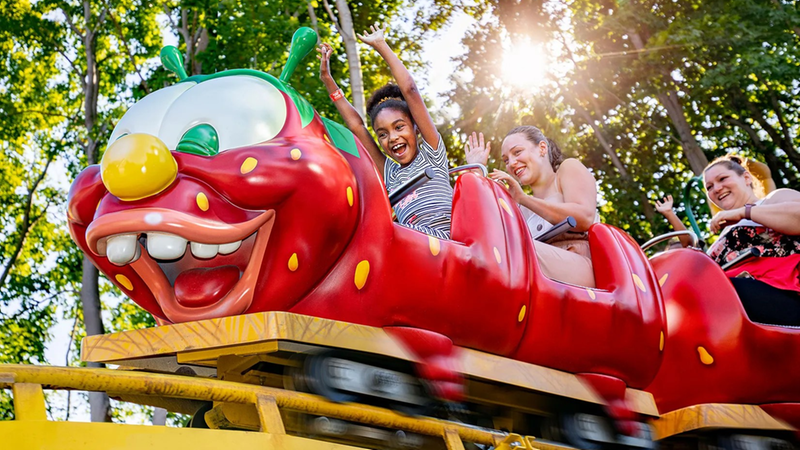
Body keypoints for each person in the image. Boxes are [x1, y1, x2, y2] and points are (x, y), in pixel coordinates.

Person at [317, 24, 453, 239]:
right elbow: (356, 126)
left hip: (447, 244)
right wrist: (328, 82)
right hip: (415, 247)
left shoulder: (432, 153)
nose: (393, 137)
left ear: (416, 127)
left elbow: (410, 90)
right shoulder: (389, 173)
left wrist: (381, 45)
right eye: (382, 134)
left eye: (399, 127)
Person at [657, 155, 800, 325]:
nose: (716, 188)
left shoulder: (771, 201)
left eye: (722, 179)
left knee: (702, 295)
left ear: (746, 178)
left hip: (780, 293)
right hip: (731, 305)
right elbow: (691, 253)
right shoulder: (725, 234)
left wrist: (744, 212)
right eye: (709, 187)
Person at [465, 127, 598, 288]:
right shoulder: (519, 206)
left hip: (578, 265)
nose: (512, 163)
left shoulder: (567, 169)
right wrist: (476, 171)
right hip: (534, 274)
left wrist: (524, 198)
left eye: (517, 152)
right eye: (506, 160)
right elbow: (487, 230)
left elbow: (584, 217)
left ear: (542, 148)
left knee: (508, 247)